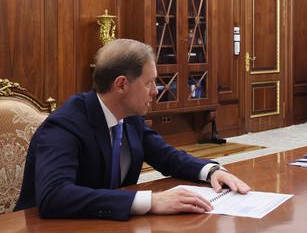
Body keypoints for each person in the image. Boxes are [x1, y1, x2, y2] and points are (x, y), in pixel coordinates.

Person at [15, 39, 250, 221]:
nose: (156, 91)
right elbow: (55, 196)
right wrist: (150, 201)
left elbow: (167, 157)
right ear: (121, 84)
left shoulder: (130, 118)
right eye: (149, 82)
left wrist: (210, 171)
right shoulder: (66, 125)